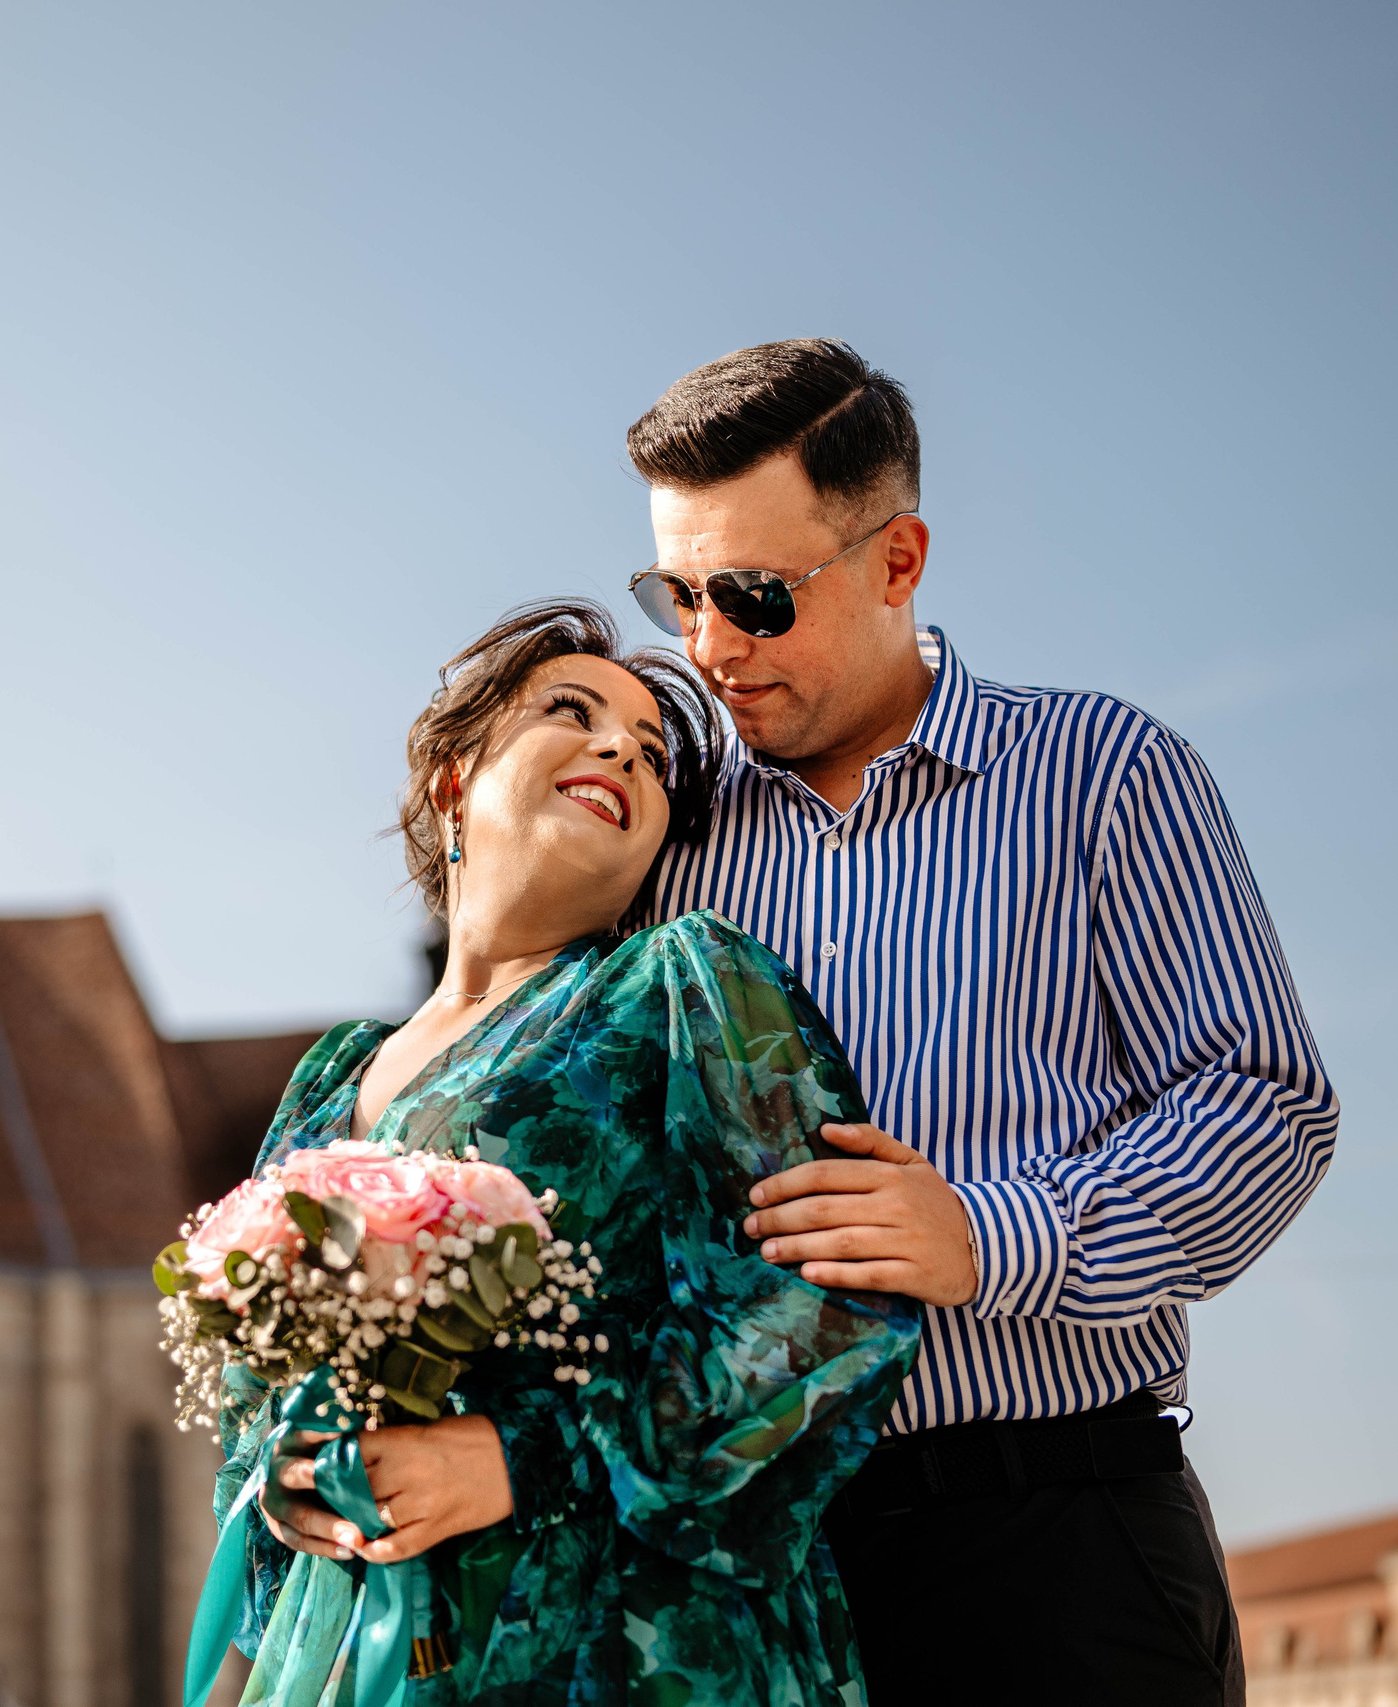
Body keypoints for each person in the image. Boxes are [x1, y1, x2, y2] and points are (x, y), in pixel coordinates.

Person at [623, 339, 1338, 1705]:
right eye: (681, 592)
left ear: (899, 561)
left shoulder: (1105, 772)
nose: (711, 645)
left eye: (759, 596)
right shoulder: (662, 819)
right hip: (743, 1574)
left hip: (1060, 1554)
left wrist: (990, 1236)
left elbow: (1265, 1103)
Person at [220, 602, 922, 1706]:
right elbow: (255, 1404)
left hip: (635, 1645)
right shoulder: (330, 1076)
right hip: (361, 1656)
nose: (620, 752)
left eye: (650, 755)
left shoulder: (685, 989)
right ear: (454, 780)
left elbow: (823, 1305)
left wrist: (518, 1455)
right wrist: (286, 1499)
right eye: (572, 713)